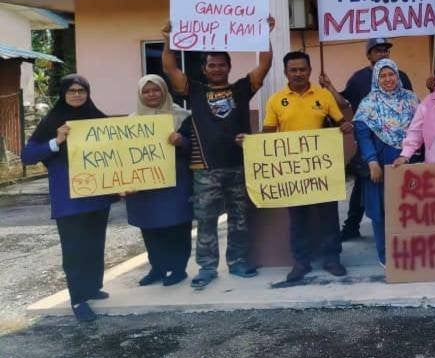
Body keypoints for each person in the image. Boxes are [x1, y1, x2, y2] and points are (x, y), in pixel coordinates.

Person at [161, 17, 274, 290]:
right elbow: (170, 68)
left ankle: (237, 263)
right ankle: (207, 268)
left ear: (229, 67)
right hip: (205, 168)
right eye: (212, 65)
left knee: (240, 219)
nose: (217, 69)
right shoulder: (195, 91)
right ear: (205, 68)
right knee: (206, 220)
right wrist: (167, 39)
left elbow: (264, 65)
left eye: (221, 64)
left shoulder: (241, 88)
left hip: (238, 165)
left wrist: (265, 34)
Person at [22, 75, 116, 322]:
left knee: (95, 243)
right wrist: (56, 141)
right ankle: (78, 298)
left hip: (97, 195)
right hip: (68, 199)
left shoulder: (97, 118)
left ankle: (93, 287)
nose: (77, 95)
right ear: (63, 94)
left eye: (82, 90)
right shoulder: (52, 122)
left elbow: (118, 152)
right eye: (72, 91)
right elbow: (27, 156)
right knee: (74, 248)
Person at [263, 51, 353, 282]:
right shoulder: (275, 100)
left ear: (310, 71)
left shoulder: (323, 96)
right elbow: (267, 135)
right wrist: (250, 143)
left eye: (303, 69)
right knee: (298, 218)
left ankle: (332, 259)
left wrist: (345, 126)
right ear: (285, 72)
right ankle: (300, 262)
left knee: (328, 215)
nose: (298, 73)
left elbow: (341, 121)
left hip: (321, 168)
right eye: (293, 70)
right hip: (292, 171)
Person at [337, 37, 413, 241]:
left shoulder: (403, 79)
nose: (382, 54)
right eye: (377, 50)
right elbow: (345, 102)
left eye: (385, 50)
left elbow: (413, 115)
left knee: (404, 199)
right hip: (373, 152)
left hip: (403, 155)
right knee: (367, 193)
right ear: (369, 54)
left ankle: (402, 241)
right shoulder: (358, 79)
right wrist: (328, 87)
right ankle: (353, 227)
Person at [125, 75, 194, 287]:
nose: (151, 95)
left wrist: (181, 141)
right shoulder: (130, 122)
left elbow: (198, 148)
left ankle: (178, 268)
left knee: (177, 225)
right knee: (150, 226)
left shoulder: (183, 117)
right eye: (146, 91)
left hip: (176, 181)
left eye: (156, 90)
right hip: (145, 185)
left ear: (164, 91)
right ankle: (157, 268)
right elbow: (122, 156)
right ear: (140, 95)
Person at [353, 59, 420, 266]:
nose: (388, 79)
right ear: (376, 79)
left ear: (398, 76)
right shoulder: (368, 103)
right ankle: (386, 253)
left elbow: (421, 128)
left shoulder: (411, 100)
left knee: (409, 207)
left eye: (391, 74)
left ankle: (410, 249)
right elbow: (363, 135)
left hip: (408, 161)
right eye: (383, 76)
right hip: (380, 164)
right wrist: (372, 161)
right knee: (381, 209)